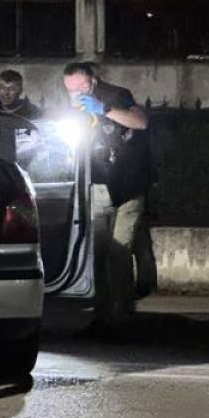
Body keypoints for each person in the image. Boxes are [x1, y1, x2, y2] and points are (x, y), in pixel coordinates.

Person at [61, 62, 151, 325]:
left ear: (92, 81)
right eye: (70, 89)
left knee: (119, 250)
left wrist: (105, 110)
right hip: (97, 185)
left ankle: (123, 312)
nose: (76, 93)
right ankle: (100, 314)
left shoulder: (116, 95)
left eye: (80, 87)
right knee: (96, 252)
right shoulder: (70, 107)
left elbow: (140, 122)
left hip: (127, 186)